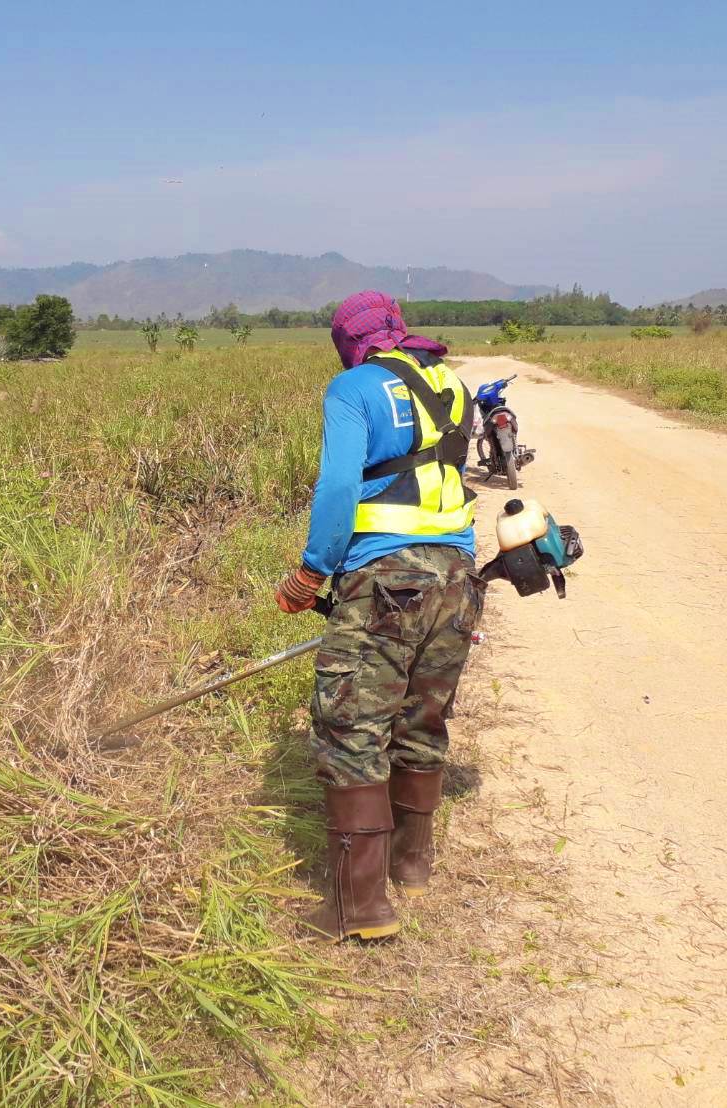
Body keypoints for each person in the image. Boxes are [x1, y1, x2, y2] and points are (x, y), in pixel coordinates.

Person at [276, 290, 484, 942]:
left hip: (387, 578)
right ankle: (412, 864)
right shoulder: (450, 385)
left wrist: (311, 571)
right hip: (456, 577)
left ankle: (358, 907)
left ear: (350, 340)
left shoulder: (352, 387)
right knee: (421, 714)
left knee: (353, 724)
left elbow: (338, 486)